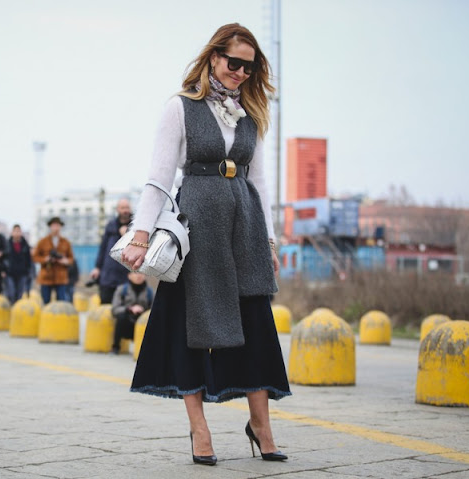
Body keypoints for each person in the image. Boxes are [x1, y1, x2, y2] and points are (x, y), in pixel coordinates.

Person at [121, 24, 291, 466]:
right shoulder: (180, 107)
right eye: (233, 62)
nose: (240, 72)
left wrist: (270, 241)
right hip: (196, 226)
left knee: (256, 324)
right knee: (189, 328)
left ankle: (261, 425)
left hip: (246, 228)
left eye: (249, 67)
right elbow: (159, 177)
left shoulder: (251, 111)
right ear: (214, 57)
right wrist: (140, 235)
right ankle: (199, 429)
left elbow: (259, 181)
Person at [90, 198, 132, 303]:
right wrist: (97, 267)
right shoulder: (111, 225)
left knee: (124, 306)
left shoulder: (135, 226)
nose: (125, 210)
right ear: (117, 209)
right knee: (105, 304)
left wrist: (126, 236)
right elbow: (103, 247)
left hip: (126, 276)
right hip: (108, 274)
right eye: (122, 208)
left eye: (127, 207)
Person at [110, 272, 154, 355]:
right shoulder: (121, 289)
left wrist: (143, 311)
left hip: (142, 323)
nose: (139, 275)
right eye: (135, 273)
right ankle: (115, 347)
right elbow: (114, 309)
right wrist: (129, 309)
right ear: (129, 276)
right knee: (121, 317)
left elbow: (154, 311)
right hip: (126, 322)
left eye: (141, 273)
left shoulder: (150, 292)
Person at [33, 217, 74, 304]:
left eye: (58, 225)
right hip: (46, 276)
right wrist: (45, 259)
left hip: (61, 277)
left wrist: (65, 261)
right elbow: (35, 257)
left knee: (61, 302)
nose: (56, 228)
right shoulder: (42, 242)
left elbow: (71, 259)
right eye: (54, 225)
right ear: (50, 227)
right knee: (46, 302)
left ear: (60, 227)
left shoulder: (66, 242)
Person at [4, 225, 32, 304]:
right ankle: (11, 307)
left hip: (22, 273)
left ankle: (17, 309)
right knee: (11, 293)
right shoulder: (7, 244)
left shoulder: (25, 245)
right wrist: (4, 270)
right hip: (10, 273)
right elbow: (4, 258)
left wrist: (28, 271)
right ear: (12, 232)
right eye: (15, 231)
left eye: (18, 231)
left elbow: (28, 259)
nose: (17, 233)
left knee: (20, 294)